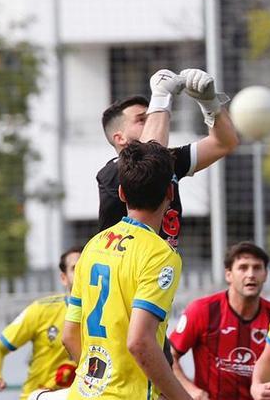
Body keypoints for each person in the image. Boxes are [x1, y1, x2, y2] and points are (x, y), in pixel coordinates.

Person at [62, 140, 188, 399]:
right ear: (170, 193)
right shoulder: (160, 254)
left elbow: (69, 334)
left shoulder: (93, 245)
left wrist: (95, 382)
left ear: (121, 193)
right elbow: (139, 341)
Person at [97, 68, 239, 247]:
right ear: (120, 138)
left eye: (153, 114)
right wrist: (161, 97)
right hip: (125, 271)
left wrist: (209, 103)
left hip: (161, 264)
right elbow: (149, 158)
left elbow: (224, 143)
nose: (155, 120)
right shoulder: (111, 172)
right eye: (142, 119)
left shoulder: (167, 161)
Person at [168, 242, 270, 400]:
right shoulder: (203, 310)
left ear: (265, 274)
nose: (251, 274)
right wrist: (190, 389)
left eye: (257, 268)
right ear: (228, 275)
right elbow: (169, 356)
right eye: (243, 267)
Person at [0, 246, 82, 400]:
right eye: (76, 268)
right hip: (38, 395)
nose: (82, 273)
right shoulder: (41, 309)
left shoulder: (105, 312)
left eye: (86, 267)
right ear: (63, 278)